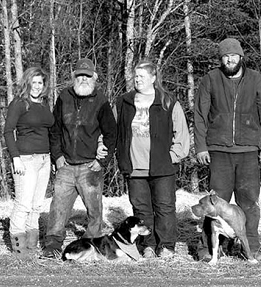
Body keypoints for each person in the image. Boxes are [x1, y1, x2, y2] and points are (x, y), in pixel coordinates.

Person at [112, 59, 190, 258]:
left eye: (142, 76)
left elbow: (181, 131)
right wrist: (115, 154)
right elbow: (112, 131)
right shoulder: (123, 102)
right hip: (134, 166)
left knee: (164, 207)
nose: (137, 80)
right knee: (141, 209)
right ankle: (147, 245)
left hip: (162, 166)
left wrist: (173, 156)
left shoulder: (167, 101)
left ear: (153, 78)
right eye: (136, 76)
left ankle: (166, 246)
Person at [42, 58, 117, 258]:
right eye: (80, 75)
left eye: (87, 75)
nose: (83, 79)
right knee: (58, 207)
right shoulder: (63, 97)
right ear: (74, 76)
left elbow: (112, 133)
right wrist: (57, 156)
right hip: (65, 165)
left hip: (89, 167)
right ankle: (52, 245)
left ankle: (92, 243)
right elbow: (55, 130)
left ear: (94, 77)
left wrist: (101, 161)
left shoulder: (100, 100)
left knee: (94, 210)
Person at [194, 38, 261, 260]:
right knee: (214, 202)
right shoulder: (210, 79)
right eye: (225, 56)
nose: (229, 59)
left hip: (248, 150)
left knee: (249, 202)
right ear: (220, 59)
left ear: (241, 57)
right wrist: (201, 147)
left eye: (233, 55)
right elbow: (200, 115)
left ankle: (250, 246)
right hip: (218, 150)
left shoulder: (256, 79)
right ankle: (210, 248)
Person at [4, 67, 54, 256]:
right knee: (23, 204)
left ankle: (31, 247)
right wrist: (15, 157)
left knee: (37, 205)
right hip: (25, 159)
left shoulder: (44, 104)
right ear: (27, 83)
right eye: (33, 82)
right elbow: (8, 131)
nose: (37, 86)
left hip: (44, 159)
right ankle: (19, 249)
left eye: (40, 83)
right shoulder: (19, 103)